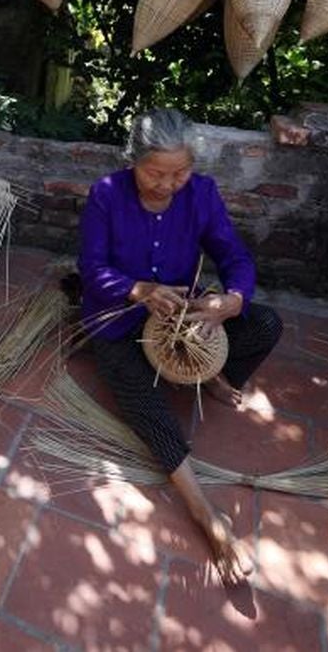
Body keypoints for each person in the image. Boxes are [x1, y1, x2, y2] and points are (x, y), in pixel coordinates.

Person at [77, 108, 282, 585]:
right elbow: (91, 268)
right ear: (133, 161)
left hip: (181, 319)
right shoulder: (107, 195)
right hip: (119, 320)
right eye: (156, 172)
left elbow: (234, 255)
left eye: (180, 172)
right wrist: (139, 290)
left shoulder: (203, 195)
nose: (169, 183)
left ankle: (210, 376)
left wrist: (232, 299)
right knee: (147, 407)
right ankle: (209, 517)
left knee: (265, 325)